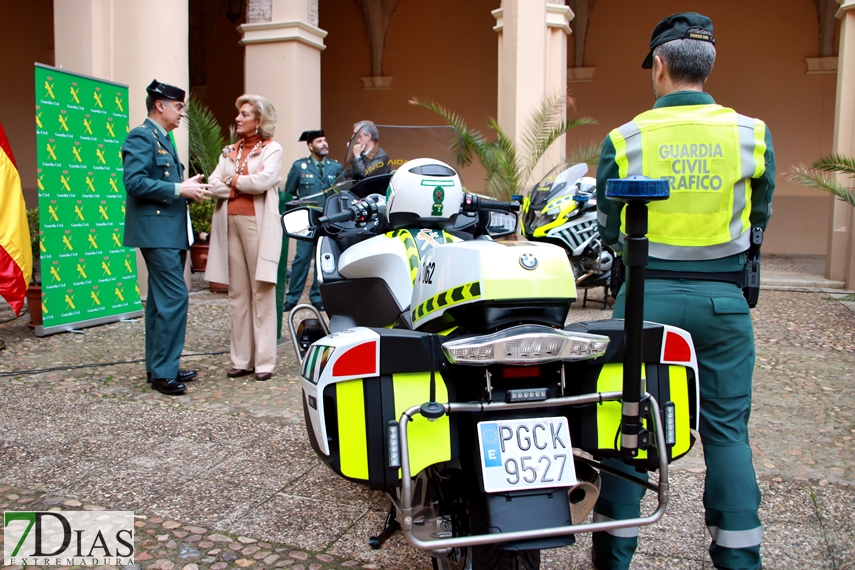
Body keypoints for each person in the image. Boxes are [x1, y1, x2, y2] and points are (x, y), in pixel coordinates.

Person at [592, 13, 775, 570]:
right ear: (708, 65)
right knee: (726, 431)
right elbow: (759, 217)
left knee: (629, 423)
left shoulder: (627, 138)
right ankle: (739, 555)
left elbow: (607, 227)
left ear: (661, 66)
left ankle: (614, 554)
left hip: (644, 308)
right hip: (724, 303)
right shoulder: (752, 134)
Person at [122, 80, 211, 395]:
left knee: (160, 303)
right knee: (175, 297)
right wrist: (178, 189)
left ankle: (160, 367)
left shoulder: (165, 138)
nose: (181, 112)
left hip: (171, 230)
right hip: (156, 231)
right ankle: (163, 373)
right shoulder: (141, 136)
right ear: (160, 105)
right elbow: (134, 182)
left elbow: (160, 182)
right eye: (178, 106)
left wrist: (187, 189)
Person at [205, 95, 283, 382]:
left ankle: (264, 362)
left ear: (259, 120)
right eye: (238, 113)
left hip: (257, 224)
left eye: (245, 114)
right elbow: (213, 184)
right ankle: (241, 360)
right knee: (237, 294)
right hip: (230, 223)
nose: (238, 118)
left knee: (261, 291)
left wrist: (232, 181)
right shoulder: (229, 151)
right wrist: (239, 187)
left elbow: (264, 181)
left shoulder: (272, 149)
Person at [282, 130, 342, 312]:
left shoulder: (336, 167)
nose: (324, 144)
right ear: (310, 146)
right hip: (306, 219)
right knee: (302, 257)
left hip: (327, 218)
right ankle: (292, 298)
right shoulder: (299, 167)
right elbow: (289, 193)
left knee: (323, 257)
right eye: (319, 141)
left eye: (325, 140)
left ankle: (317, 296)